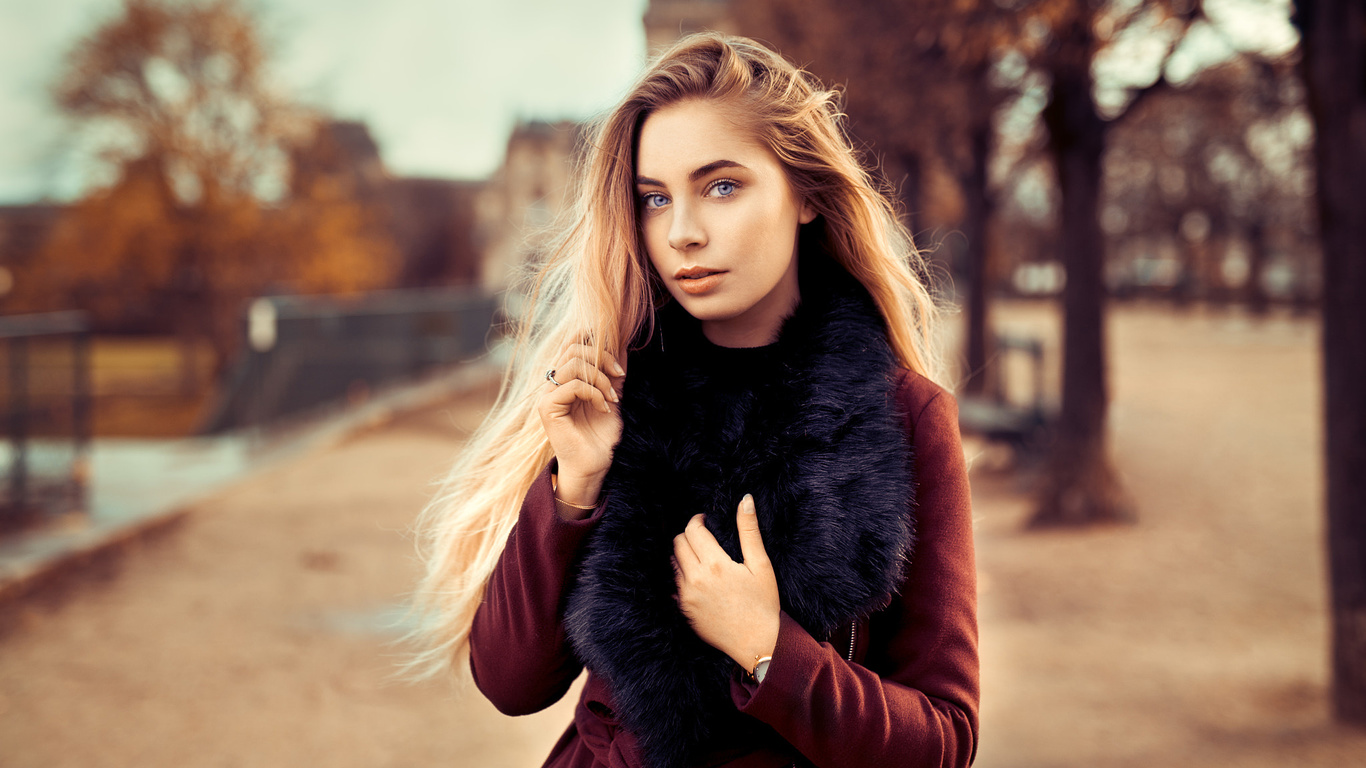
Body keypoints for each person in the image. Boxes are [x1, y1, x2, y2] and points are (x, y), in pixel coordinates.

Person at [409, 32, 978, 768]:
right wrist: (573, 488)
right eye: (654, 199)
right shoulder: (613, 390)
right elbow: (511, 682)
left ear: (805, 193)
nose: (681, 232)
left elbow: (946, 743)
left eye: (721, 186)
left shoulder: (905, 417)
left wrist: (771, 650)